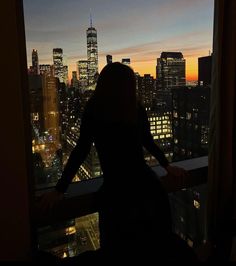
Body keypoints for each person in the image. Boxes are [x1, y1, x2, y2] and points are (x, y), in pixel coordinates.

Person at [41, 62, 189, 260]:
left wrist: (60, 189)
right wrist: (166, 166)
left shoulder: (95, 110)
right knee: (157, 245)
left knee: (116, 251)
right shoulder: (134, 108)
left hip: (117, 192)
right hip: (147, 186)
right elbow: (148, 142)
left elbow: (81, 150)